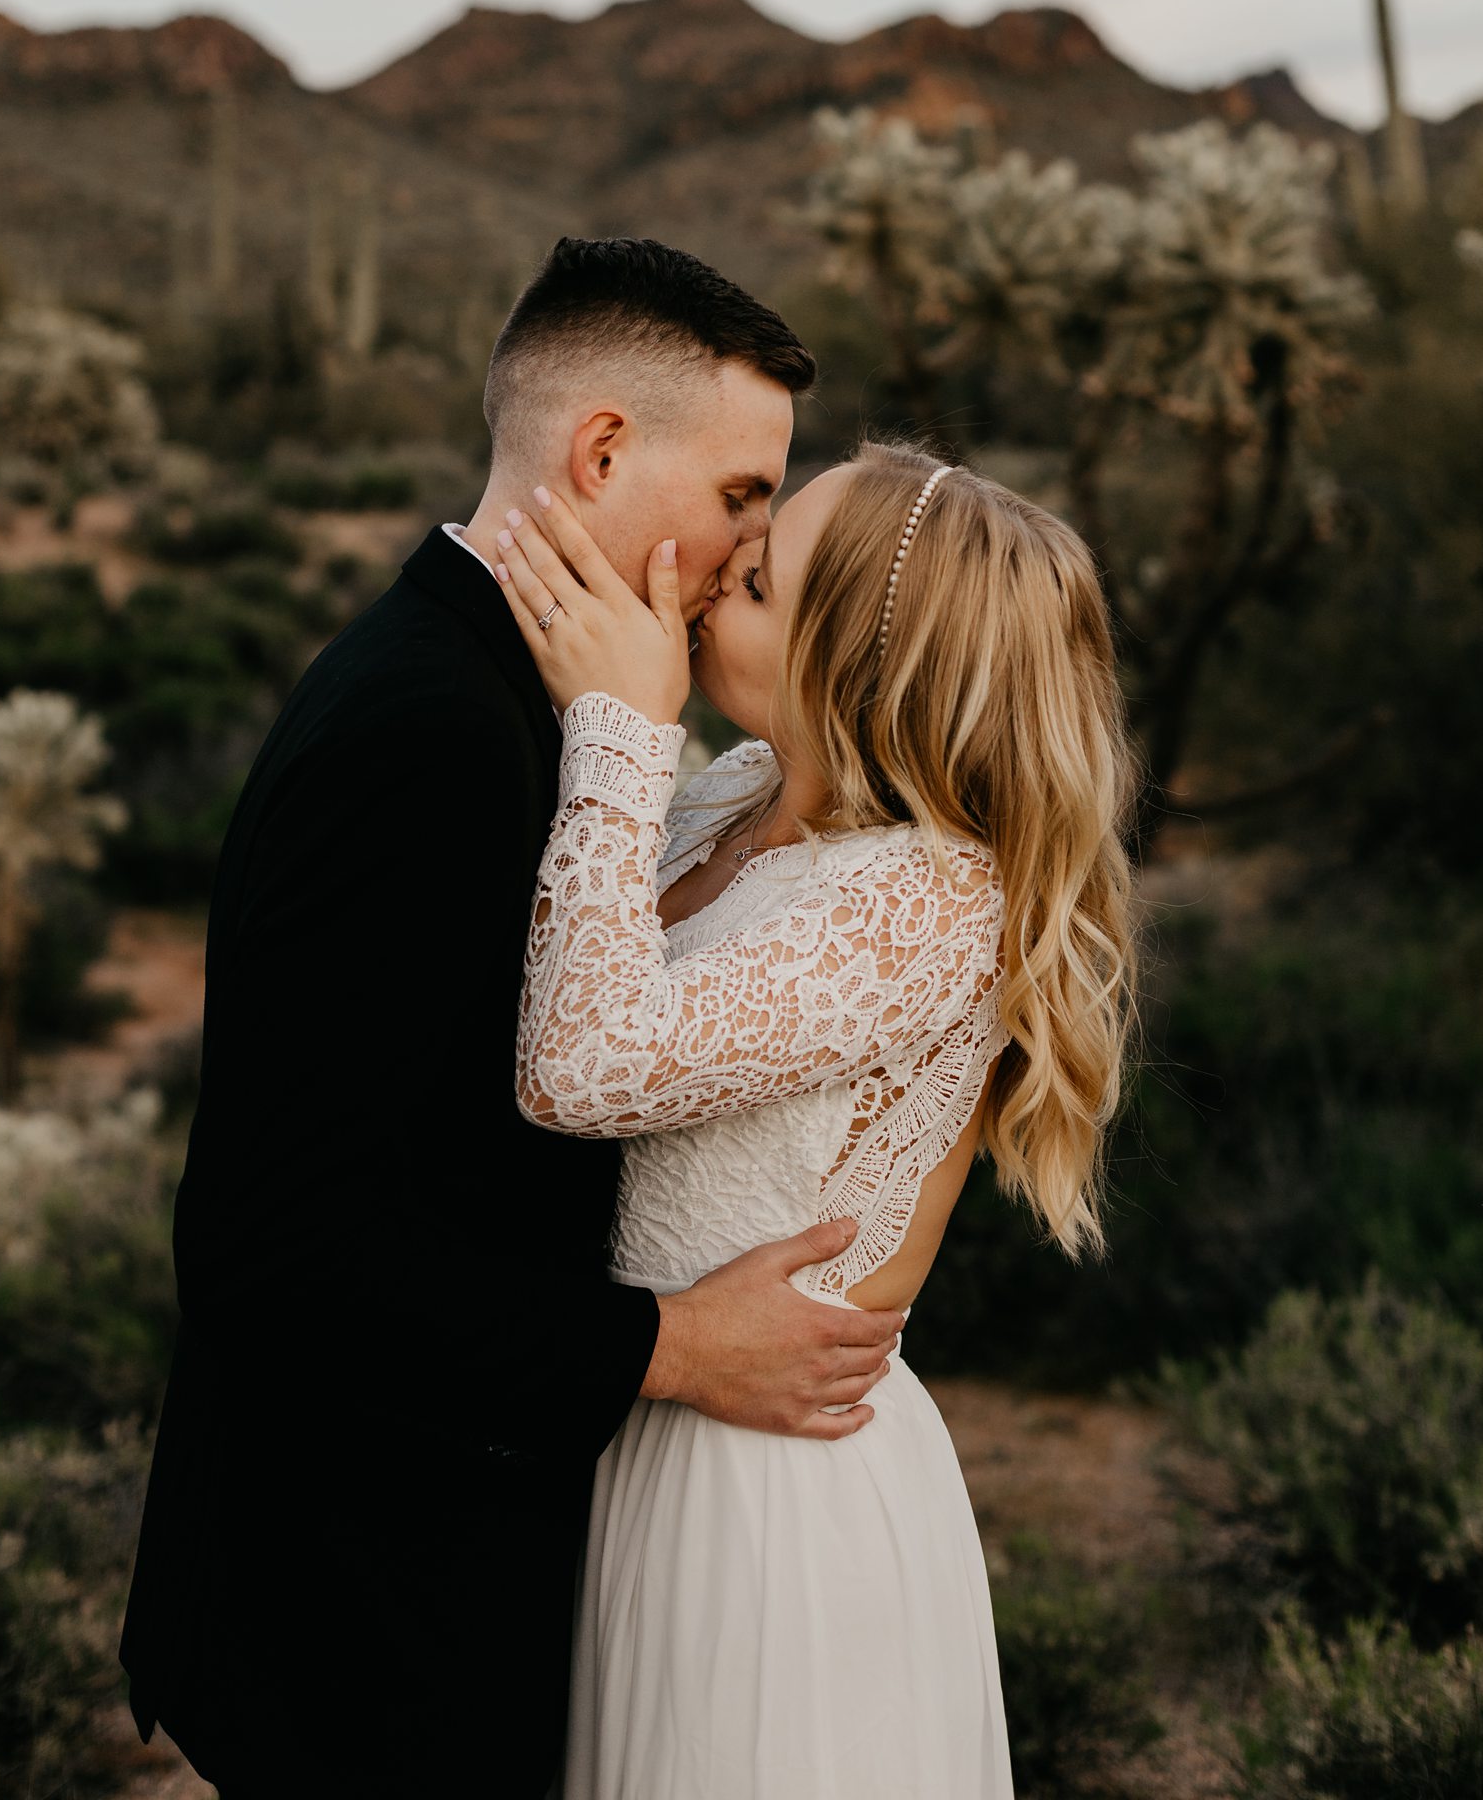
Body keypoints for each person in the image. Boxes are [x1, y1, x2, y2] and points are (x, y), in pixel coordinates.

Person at [118, 240, 908, 1798]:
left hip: (423, 1566)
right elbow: (273, 1247)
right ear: (603, 450)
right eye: (746, 496)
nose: (755, 547)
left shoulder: (519, 694)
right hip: (367, 1609)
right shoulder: (435, 734)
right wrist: (672, 1347)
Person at [489, 442, 1141, 1798]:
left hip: (762, 1492)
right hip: (653, 1414)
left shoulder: (925, 900)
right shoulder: (740, 801)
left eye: (764, 581)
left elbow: (584, 1064)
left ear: (851, 669)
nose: (722, 573)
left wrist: (616, 728)